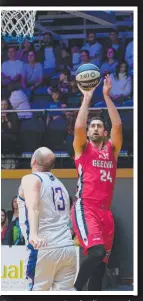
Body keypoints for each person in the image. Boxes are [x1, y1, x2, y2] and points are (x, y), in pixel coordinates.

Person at [71, 74, 122, 291]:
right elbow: (79, 127)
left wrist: (107, 97)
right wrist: (87, 97)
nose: (94, 129)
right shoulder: (82, 148)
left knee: (100, 268)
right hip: (86, 207)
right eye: (92, 126)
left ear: (105, 132)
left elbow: (118, 124)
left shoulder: (112, 149)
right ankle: (73, 290)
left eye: (99, 126)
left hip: (105, 213)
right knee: (97, 252)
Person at [17, 147, 77, 291]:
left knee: (36, 292)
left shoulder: (31, 178)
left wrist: (33, 234)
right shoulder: (60, 185)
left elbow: (33, 207)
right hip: (67, 248)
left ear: (33, 160)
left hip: (44, 247)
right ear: (52, 165)